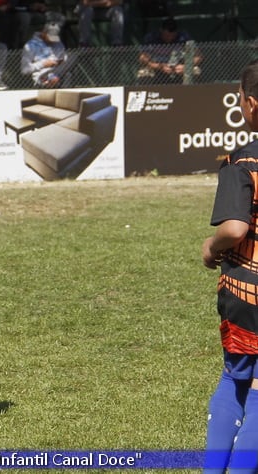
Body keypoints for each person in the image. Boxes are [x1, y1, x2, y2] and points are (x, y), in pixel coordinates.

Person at [201, 60, 258, 474]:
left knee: (235, 378)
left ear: (250, 105)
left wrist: (210, 245)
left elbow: (235, 227)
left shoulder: (241, 163)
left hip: (244, 295)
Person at [138, 17, 202, 85]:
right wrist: (158, 66)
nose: (169, 38)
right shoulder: (151, 38)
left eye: (172, 36)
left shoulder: (184, 37)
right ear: (161, 31)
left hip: (179, 67)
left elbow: (199, 57)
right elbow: (142, 57)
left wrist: (185, 66)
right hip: (157, 67)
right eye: (166, 35)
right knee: (143, 73)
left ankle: (191, 94)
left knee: (195, 71)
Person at [21, 13, 74, 88]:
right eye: (50, 38)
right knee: (53, 75)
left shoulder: (58, 43)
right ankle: (50, 77)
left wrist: (61, 61)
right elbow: (24, 70)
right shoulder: (30, 45)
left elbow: (64, 60)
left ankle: (54, 76)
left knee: (73, 56)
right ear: (44, 33)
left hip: (58, 72)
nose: (53, 41)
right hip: (42, 76)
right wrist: (43, 64)